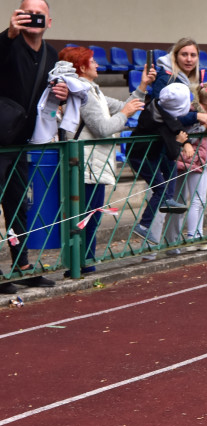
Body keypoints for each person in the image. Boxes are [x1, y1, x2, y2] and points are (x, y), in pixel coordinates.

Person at [57, 45, 154, 274]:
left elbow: (123, 107)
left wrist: (142, 87)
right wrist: (126, 114)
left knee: (90, 215)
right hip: (85, 164)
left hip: (92, 164)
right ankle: (82, 264)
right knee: (86, 216)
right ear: (82, 66)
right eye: (93, 61)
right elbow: (103, 128)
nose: (98, 64)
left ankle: (83, 262)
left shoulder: (93, 90)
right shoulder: (85, 94)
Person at [0, 0, 67, 291]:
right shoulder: (7, 43)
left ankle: (22, 266)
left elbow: (48, 96)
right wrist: (8, 35)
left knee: (19, 205)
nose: (34, 18)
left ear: (49, 21)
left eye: (40, 14)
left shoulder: (51, 53)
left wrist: (61, 95)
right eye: (28, 12)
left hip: (22, 140)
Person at [126, 82, 193, 254]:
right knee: (160, 188)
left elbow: (175, 124)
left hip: (152, 152)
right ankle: (143, 225)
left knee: (169, 165)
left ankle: (168, 200)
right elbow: (172, 150)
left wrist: (185, 141)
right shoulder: (157, 122)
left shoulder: (157, 105)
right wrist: (180, 143)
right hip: (140, 156)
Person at [170, 81, 207, 252]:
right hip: (192, 160)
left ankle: (173, 243)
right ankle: (194, 238)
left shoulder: (199, 113)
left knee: (180, 200)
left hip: (188, 159)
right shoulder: (194, 114)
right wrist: (203, 127)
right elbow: (187, 136)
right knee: (197, 199)